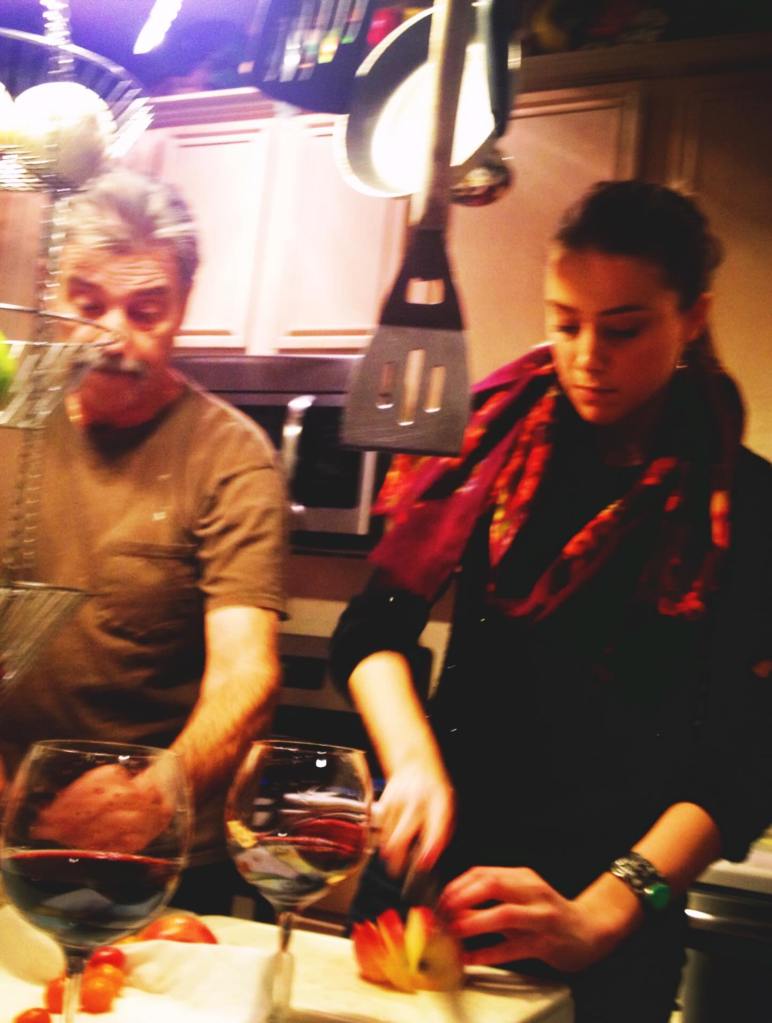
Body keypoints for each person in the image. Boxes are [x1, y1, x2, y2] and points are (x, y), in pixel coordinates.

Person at [330, 180, 772, 1021]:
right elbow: (372, 632)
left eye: (624, 328)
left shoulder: (746, 508)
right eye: (564, 321)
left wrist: (596, 915)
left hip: (603, 923)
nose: (585, 355)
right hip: (427, 891)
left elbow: (744, 765)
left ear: (695, 315)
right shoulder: (490, 448)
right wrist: (415, 758)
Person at [0, 168, 287, 914]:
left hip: (158, 862)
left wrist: (155, 793)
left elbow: (244, 676)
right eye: (88, 304)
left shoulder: (232, 456)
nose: (113, 337)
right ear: (51, 289)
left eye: (145, 310)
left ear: (184, 306)